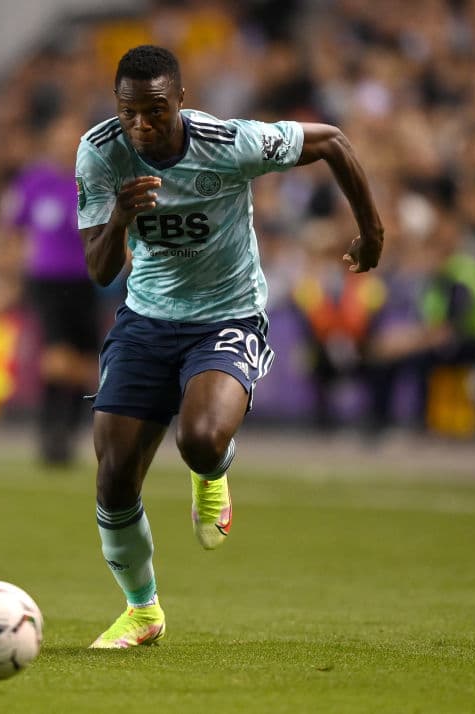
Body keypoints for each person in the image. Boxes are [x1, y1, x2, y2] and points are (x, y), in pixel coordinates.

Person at [75, 45, 383, 648]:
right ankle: (143, 611)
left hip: (227, 315)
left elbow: (334, 142)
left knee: (200, 438)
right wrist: (118, 218)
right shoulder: (100, 151)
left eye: (156, 111)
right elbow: (98, 267)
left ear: (181, 102)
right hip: (145, 318)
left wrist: (371, 232)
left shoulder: (229, 143)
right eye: (130, 110)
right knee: (113, 479)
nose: (142, 125)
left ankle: (211, 472)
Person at [0, 110, 101, 465]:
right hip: (46, 282)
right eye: (60, 142)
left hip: (87, 282)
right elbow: (12, 228)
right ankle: (51, 433)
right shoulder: (33, 182)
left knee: (85, 362)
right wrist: (10, 276)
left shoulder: (94, 184)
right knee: (57, 360)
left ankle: (66, 435)